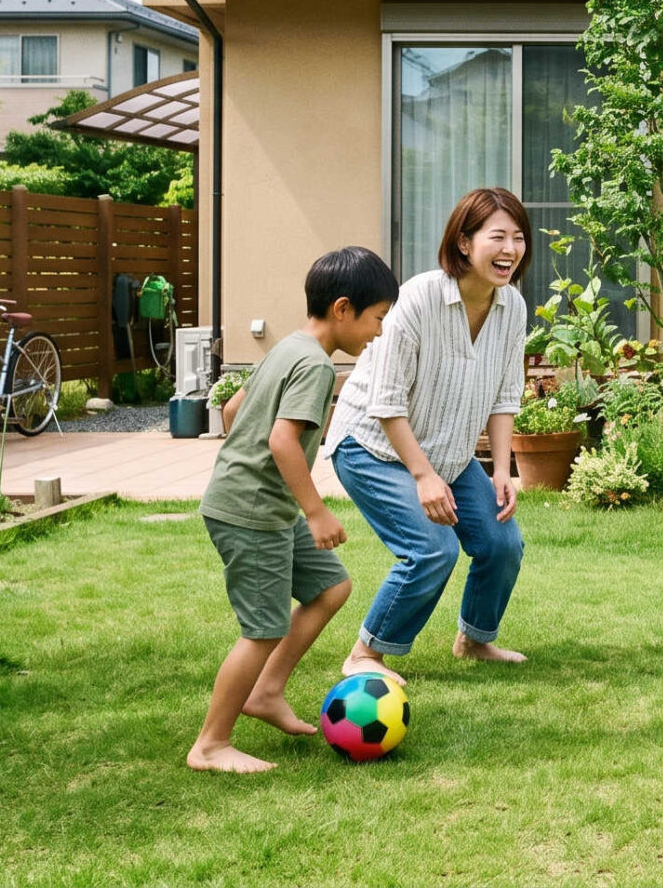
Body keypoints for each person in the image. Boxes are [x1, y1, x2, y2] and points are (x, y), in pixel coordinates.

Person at [188, 245, 397, 773]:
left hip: (259, 503)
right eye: (377, 318)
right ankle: (210, 744)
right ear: (344, 309)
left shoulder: (288, 348)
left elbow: (233, 409)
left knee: (331, 587)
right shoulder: (315, 366)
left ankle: (266, 692)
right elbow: (283, 441)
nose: (378, 333)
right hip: (252, 512)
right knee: (262, 628)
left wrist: (247, 468)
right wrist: (316, 512)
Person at [328, 187, 533, 682]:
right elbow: (386, 402)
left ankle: (475, 640)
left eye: (519, 238)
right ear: (464, 242)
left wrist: (501, 470)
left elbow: (505, 396)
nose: (510, 249)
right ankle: (365, 653)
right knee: (431, 548)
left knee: (502, 543)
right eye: (497, 237)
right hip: (371, 447)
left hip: (448, 454)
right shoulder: (418, 298)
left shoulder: (512, 307)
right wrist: (423, 477)